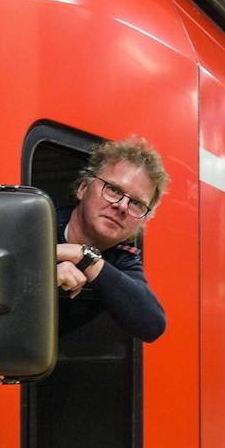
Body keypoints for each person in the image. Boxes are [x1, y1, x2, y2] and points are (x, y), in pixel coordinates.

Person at [54, 136, 167, 342]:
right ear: (83, 189)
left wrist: (85, 258)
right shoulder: (38, 224)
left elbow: (152, 325)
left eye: (136, 203)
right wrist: (43, 275)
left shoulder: (122, 257)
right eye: (114, 190)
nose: (122, 206)